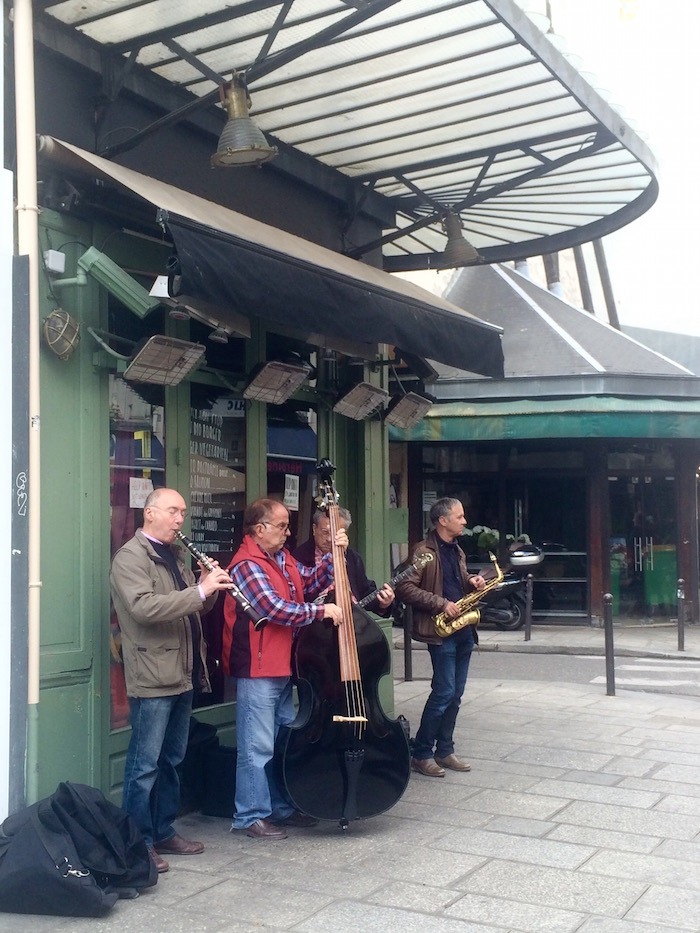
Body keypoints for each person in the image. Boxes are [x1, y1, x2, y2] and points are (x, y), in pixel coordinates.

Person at [109, 487, 235, 873]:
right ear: (149, 513)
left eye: (183, 513)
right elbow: (144, 608)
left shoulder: (173, 555)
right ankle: (138, 842)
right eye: (173, 512)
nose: (180, 520)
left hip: (181, 672)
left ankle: (163, 830)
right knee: (143, 765)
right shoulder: (130, 557)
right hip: (152, 674)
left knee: (171, 759)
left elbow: (192, 608)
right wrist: (200, 590)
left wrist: (205, 585)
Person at [222, 497, 347, 840]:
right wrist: (320, 613)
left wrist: (335, 555)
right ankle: (249, 815)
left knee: (280, 741)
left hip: (281, 665)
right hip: (258, 669)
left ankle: (277, 807)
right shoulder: (246, 564)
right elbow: (273, 609)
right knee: (257, 746)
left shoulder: (280, 558)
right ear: (259, 529)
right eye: (282, 526)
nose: (288, 533)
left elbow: (307, 581)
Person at [395, 497, 485, 778]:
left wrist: (471, 580)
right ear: (443, 520)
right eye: (459, 516)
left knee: (455, 694)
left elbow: (454, 580)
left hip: (463, 630)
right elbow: (404, 587)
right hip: (441, 630)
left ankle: (445, 750)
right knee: (444, 691)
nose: (464, 521)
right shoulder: (423, 551)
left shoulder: (456, 550)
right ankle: (422, 754)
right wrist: (440, 603)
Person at [293, 508, 395, 614]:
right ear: (314, 529)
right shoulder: (299, 557)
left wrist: (383, 603)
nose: (329, 539)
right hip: (318, 623)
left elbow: (364, 592)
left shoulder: (352, 557)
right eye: (325, 532)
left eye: (335, 533)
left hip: (353, 620)